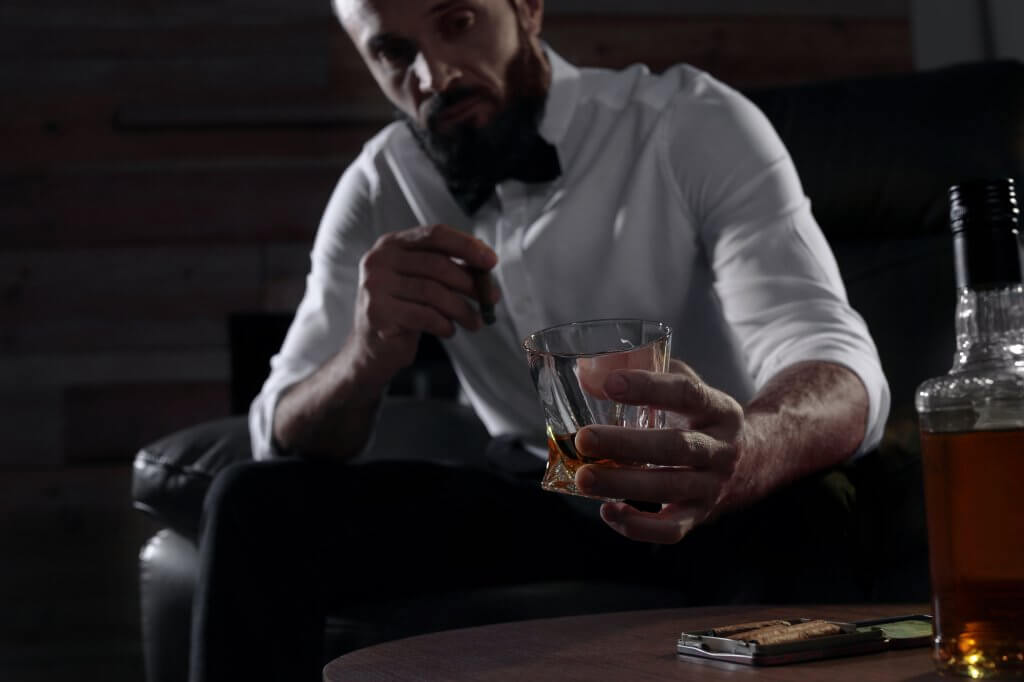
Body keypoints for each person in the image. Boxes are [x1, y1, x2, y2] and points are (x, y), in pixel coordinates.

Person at [190, 0, 891, 679]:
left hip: (719, 497)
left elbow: (835, 359)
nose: (434, 77)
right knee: (253, 504)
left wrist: (746, 455)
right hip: (532, 498)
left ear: (527, 8)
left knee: (817, 511)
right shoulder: (380, 185)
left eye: (457, 23)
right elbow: (279, 430)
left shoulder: (689, 122)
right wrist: (365, 353)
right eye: (394, 53)